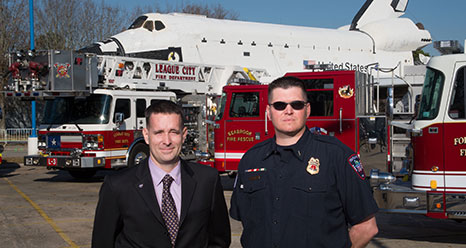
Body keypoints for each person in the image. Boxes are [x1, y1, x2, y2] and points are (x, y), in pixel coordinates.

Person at [230, 77, 379, 248]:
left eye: (297, 105)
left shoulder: (337, 156)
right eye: (279, 105)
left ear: (307, 110)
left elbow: (367, 227)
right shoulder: (251, 159)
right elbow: (247, 221)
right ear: (268, 112)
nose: (288, 111)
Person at [92, 100, 231, 248]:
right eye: (159, 132)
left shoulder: (208, 180)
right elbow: (102, 242)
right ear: (146, 135)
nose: (167, 141)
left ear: (184, 135)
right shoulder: (118, 186)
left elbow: (220, 240)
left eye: (173, 132)